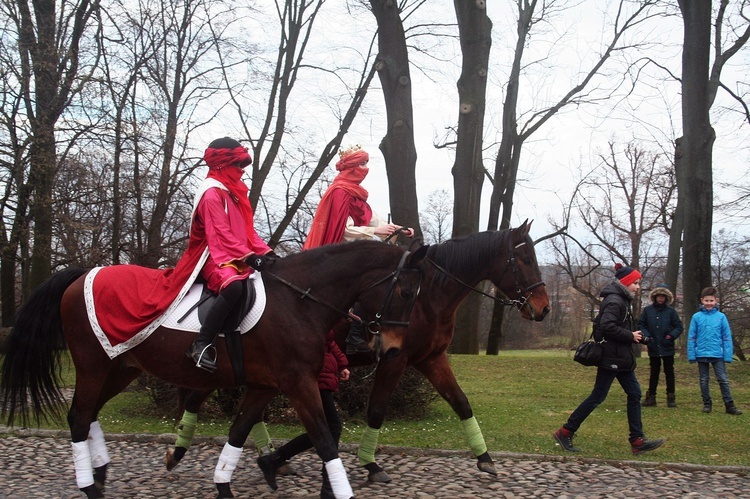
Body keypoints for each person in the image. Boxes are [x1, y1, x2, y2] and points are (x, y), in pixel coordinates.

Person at [304, 144, 414, 354]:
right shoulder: (339, 192)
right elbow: (344, 230)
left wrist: (398, 228)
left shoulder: (355, 194)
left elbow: (372, 219)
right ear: (351, 167)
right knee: (371, 284)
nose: (366, 169)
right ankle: (355, 337)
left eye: (366, 164)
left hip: (353, 253)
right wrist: (374, 232)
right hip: (339, 255)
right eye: (362, 164)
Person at [184, 137, 276, 371]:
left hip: (233, 253)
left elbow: (247, 233)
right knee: (234, 286)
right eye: (238, 165)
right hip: (211, 256)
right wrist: (248, 257)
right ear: (221, 165)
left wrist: (266, 252)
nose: (241, 171)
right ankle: (200, 343)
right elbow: (220, 234)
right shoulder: (211, 193)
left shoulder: (233, 194)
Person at [553, 263, 665, 455]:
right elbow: (607, 326)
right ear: (626, 282)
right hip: (612, 358)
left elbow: (615, 327)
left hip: (620, 359)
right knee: (598, 396)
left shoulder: (621, 299)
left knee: (634, 393)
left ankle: (637, 440)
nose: (638, 287)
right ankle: (565, 431)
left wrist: (635, 335)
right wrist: (630, 336)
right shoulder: (615, 301)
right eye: (636, 283)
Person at [257, 331, 350, 498]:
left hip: (325, 375)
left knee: (323, 430)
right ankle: (329, 486)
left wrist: (342, 364)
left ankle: (273, 460)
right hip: (315, 377)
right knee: (332, 429)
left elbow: (330, 342)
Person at [687, 287, 743, 415]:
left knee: (723, 379)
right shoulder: (696, 317)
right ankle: (707, 404)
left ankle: (729, 405)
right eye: (706, 300)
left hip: (717, 354)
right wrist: (692, 354)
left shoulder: (721, 317)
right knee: (703, 379)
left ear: (716, 301)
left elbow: (726, 337)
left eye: (711, 300)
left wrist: (727, 355)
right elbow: (691, 337)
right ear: (702, 301)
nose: (709, 303)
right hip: (701, 353)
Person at [638, 284, 684, 408]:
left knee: (669, 372)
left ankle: (671, 397)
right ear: (654, 297)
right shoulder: (648, 311)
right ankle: (651, 397)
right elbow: (641, 325)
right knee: (654, 372)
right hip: (653, 346)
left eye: (663, 296)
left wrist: (670, 336)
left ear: (666, 298)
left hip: (667, 346)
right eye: (658, 296)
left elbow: (679, 326)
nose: (660, 298)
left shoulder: (671, 312)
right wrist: (647, 337)